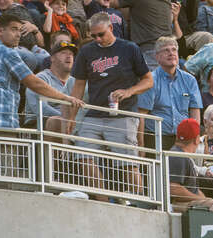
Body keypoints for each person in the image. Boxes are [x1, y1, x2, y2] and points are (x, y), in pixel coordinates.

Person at [64, 12, 153, 196]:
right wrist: (72, 118)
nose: (97, 39)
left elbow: (148, 80)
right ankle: (102, 200)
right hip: (95, 112)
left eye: (101, 34)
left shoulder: (129, 48)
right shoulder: (87, 51)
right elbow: (78, 86)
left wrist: (128, 91)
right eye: (93, 35)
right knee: (84, 157)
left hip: (124, 113)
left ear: (111, 28)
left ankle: (140, 201)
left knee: (128, 163)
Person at [0, 13, 82, 134]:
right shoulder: (6, 52)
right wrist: (66, 98)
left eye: (20, 30)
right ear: (0, 31)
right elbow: (33, 83)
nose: (19, 34)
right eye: (14, 29)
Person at [137, 37, 202, 150]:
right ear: (156, 57)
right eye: (166, 50)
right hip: (156, 138)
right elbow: (141, 116)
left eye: (174, 50)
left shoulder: (189, 80)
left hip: (184, 139)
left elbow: (195, 112)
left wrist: (194, 139)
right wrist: (141, 146)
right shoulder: (150, 81)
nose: (171, 53)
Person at [168, 117, 213, 213]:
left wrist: (204, 199)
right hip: (177, 204)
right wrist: (199, 199)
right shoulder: (178, 155)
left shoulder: (181, 154)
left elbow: (193, 189)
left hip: (189, 201)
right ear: (197, 140)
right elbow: (174, 189)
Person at [23, 40, 76, 130]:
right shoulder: (40, 78)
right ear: (52, 58)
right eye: (63, 53)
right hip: (38, 125)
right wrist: (67, 119)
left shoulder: (74, 82)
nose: (69, 56)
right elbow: (41, 108)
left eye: (71, 54)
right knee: (56, 121)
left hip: (68, 124)